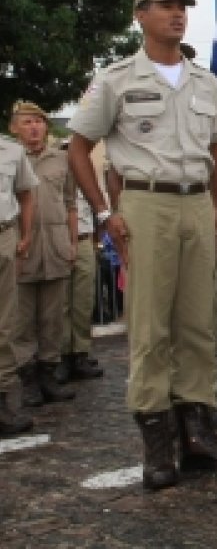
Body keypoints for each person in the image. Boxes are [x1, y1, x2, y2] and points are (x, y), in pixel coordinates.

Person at [67, 0, 217, 491]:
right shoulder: (116, 79)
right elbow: (79, 147)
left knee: (198, 324)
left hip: (197, 203)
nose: (177, 14)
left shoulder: (204, 82)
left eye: (182, 7)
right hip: (144, 203)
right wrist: (106, 214)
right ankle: (156, 442)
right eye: (165, 6)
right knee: (150, 326)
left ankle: (197, 433)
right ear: (140, 15)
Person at [9, 101, 79, 408]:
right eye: (27, 122)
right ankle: (28, 380)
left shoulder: (61, 160)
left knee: (53, 318)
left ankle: (49, 375)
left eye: (39, 121)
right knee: (22, 320)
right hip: (22, 247)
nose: (34, 127)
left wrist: (73, 243)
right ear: (14, 128)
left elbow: (71, 203)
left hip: (55, 244)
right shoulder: (9, 159)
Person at [56, 140, 106, 383]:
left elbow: (99, 210)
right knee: (63, 303)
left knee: (84, 301)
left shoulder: (89, 181)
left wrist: (98, 240)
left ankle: (81, 353)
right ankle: (63, 354)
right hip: (62, 241)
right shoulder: (57, 181)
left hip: (86, 239)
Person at [0, 131, 37, 434]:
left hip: (3, 236)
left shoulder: (11, 150)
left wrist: (25, 237)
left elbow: (25, 194)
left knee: (4, 324)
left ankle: (3, 403)